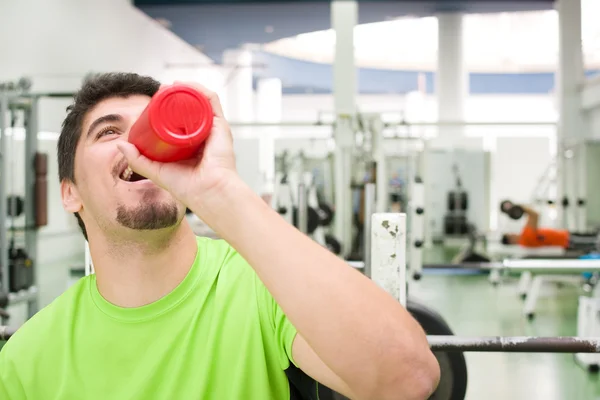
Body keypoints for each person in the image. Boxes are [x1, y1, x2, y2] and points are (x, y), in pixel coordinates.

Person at [0, 73, 440, 399]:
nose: (137, 144)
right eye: (110, 132)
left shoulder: (262, 286)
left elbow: (407, 379)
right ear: (69, 192)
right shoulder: (27, 358)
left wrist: (222, 193)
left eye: (148, 127)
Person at [501, 203, 598, 251]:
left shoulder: (524, 241)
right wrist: (520, 207)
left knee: (595, 240)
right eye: (510, 235)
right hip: (568, 240)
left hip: (566, 238)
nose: (513, 233)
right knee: (596, 241)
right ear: (511, 240)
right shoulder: (526, 237)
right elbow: (535, 215)